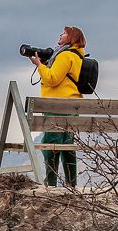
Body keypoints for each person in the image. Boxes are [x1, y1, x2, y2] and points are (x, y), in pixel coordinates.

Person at [28, 25, 86, 187]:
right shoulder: (77, 56)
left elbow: (52, 79)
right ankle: (71, 184)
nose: (60, 36)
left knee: (50, 145)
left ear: (70, 38)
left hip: (57, 107)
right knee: (67, 146)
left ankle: (51, 183)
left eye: (63, 33)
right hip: (72, 107)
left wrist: (40, 65)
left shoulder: (65, 55)